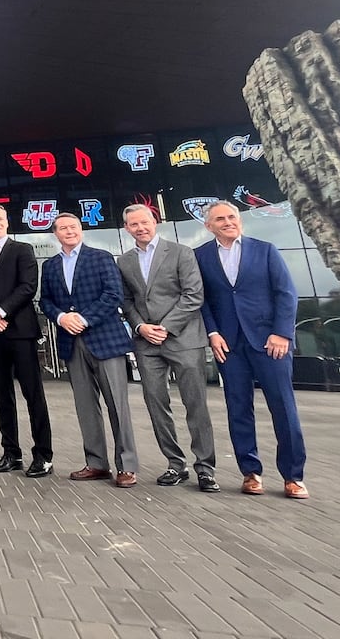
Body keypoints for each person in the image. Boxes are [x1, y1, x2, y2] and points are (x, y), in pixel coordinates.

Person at [197, 200, 309, 499]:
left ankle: (293, 476)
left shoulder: (265, 250)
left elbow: (286, 292)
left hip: (269, 342)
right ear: (209, 226)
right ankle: (250, 472)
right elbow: (202, 300)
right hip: (229, 345)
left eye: (232, 217)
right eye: (219, 219)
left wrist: (282, 333)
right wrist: (213, 332)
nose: (227, 222)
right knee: (238, 408)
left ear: (240, 221)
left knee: (283, 408)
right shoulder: (200, 256)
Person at [116, 204, 217, 492]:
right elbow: (126, 301)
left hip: (183, 339)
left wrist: (166, 326)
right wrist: (141, 327)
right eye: (134, 225)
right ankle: (175, 463)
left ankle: (205, 467)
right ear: (127, 229)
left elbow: (193, 295)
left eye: (144, 222)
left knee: (195, 404)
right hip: (146, 343)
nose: (140, 228)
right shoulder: (124, 262)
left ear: (154, 222)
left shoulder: (181, 252)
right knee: (157, 404)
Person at [39, 212, 139, 488]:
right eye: (63, 228)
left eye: (73, 227)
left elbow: (113, 295)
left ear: (80, 230)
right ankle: (96, 463)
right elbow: (45, 301)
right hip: (72, 342)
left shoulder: (101, 257)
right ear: (55, 234)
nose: (69, 231)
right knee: (85, 406)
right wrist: (61, 317)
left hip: (104, 340)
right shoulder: (50, 266)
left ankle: (127, 465)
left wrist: (82, 318)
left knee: (117, 405)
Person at [0, 204, 52, 477]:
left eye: (0, 218)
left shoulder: (22, 250)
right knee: (2, 396)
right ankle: (11, 453)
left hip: (20, 332)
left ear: (7, 221)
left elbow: (28, 286)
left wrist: (1, 312)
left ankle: (43, 455)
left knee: (32, 395)